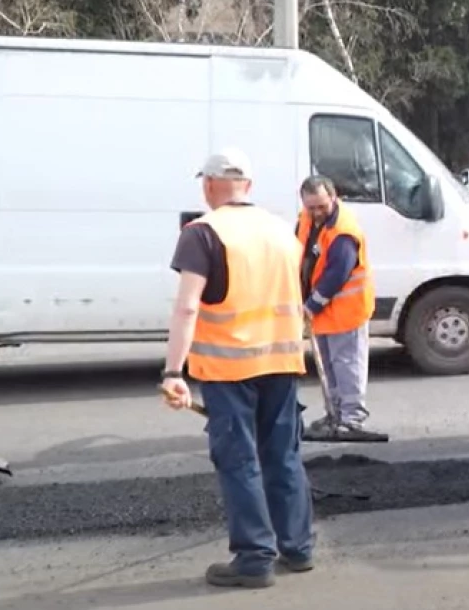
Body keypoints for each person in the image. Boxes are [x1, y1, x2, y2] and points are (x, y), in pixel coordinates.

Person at [159, 149, 314, 588]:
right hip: (281, 362)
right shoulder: (283, 232)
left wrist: (173, 373)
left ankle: (253, 558)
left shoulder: (202, 233)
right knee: (283, 455)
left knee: (240, 460)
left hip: (228, 369)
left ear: (208, 186)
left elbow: (188, 307)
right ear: (249, 186)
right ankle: (298, 548)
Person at [295, 175, 380, 442]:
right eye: (312, 207)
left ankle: (352, 418)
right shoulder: (306, 219)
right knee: (330, 367)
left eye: (322, 206)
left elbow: (337, 273)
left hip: (345, 310)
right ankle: (335, 413)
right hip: (323, 311)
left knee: (347, 365)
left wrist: (312, 304)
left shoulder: (344, 231)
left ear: (333, 197)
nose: (318, 212)